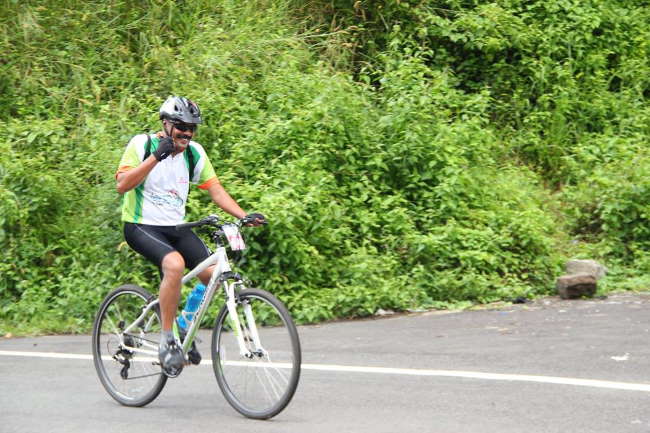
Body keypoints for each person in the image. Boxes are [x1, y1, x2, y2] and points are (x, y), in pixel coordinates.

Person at [115, 96, 266, 376]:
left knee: (213, 276)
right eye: (181, 126)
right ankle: (167, 340)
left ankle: (184, 324)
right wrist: (155, 157)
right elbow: (122, 185)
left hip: (176, 228)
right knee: (174, 265)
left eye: (192, 128)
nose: (187, 133)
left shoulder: (194, 153)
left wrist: (243, 215)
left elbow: (215, 190)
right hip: (141, 225)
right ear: (165, 124)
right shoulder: (142, 144)